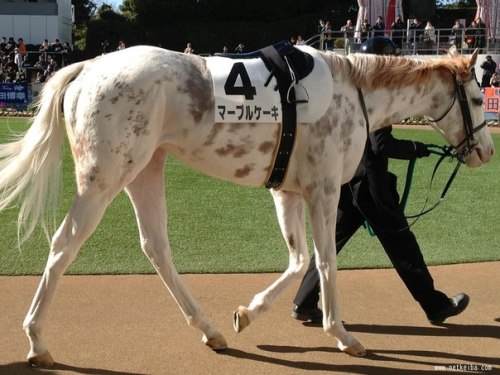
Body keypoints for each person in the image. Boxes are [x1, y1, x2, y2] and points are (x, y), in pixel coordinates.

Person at [292, 36, 470, 326]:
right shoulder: (377, 93)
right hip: (372, 186)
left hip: (348, 181)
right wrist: (415, 149)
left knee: (330, 244)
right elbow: (380, 146)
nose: (397, 61)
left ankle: (304, 302)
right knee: (402, 244)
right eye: (392, 56)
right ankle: (436, 306)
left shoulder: (351, 90)